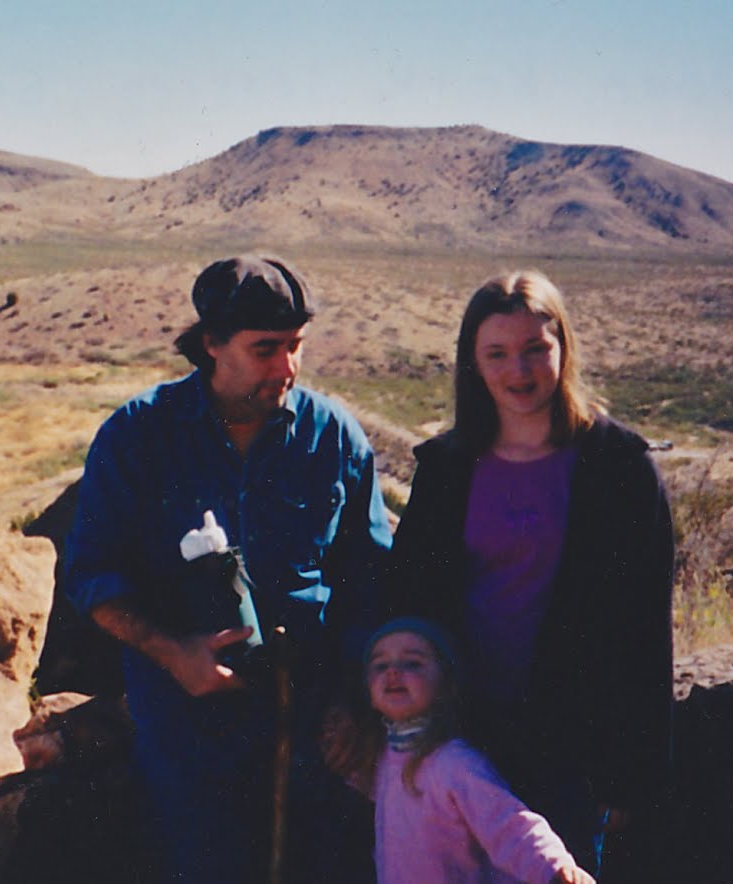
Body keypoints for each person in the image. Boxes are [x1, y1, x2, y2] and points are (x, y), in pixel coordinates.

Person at [63, 255, 393, 883]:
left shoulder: (335, 438)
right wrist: (173, 651)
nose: (287, 367)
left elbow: (373, 581)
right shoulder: (138, 437)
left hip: (319, 728)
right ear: (211, 345)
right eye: (266, 349)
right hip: (190, 733)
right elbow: (92, 575)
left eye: (296, 346)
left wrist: (356, 700)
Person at [386, 270, 673, 880]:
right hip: (462, 741)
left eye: (535, 349)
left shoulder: (619, 470)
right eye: (497, 353)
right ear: (472, 362)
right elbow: (407, 604)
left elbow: (646, 631)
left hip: (575, 748)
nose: (519, 370)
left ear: (563, 349)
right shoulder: (446, 469)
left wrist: (631, 774)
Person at [361, 617, 595, 884]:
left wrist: (554, 868)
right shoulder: (381, 758)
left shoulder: (454, 763)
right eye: (380, 665)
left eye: (413, 663)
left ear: (446, 685)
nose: (393, 672)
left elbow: (509, 826)